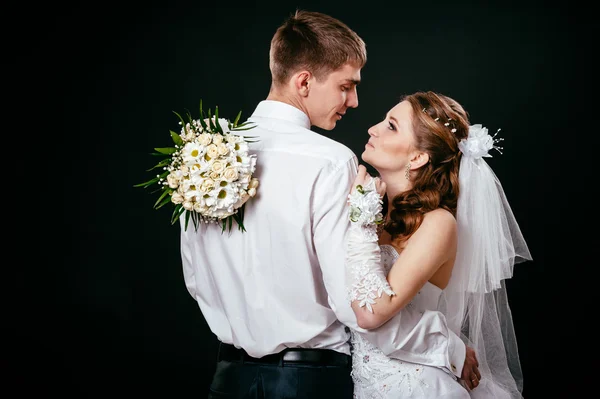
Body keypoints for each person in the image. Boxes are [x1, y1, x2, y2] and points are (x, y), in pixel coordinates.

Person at [180, 11, 478, 399]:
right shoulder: (331, 161)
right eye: (345, 86)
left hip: (228, 379)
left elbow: (196, 278)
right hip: (307, 381)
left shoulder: (205, 156)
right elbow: (357, 306)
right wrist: (452, 349)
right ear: (304, 81)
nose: (354, 102)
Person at [345, 91, 532, 398]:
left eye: (391, 126)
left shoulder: (437, 223)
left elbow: (370, 313)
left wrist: (360, 220)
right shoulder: (370, 205)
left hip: (419, 388)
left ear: (418, 157)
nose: (372, 129)